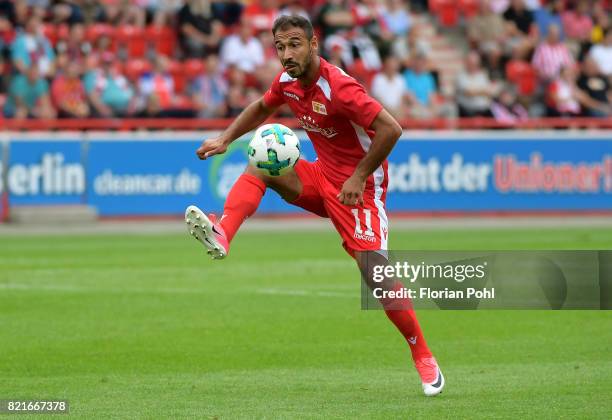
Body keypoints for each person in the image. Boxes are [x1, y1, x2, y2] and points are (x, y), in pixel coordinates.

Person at [185, 14, 445, 397]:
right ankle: (223, 232)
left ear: (313, 45)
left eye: (293, 44)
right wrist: (226, 138)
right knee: (263, 165)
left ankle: (422, 355)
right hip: (320, 176)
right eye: (279, 46)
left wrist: (358, 176)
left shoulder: (340, 87)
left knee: (376, 275)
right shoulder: (287, 82)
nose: (286, 54)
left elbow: (392, 128)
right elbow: (261, 106)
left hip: (360, 190)